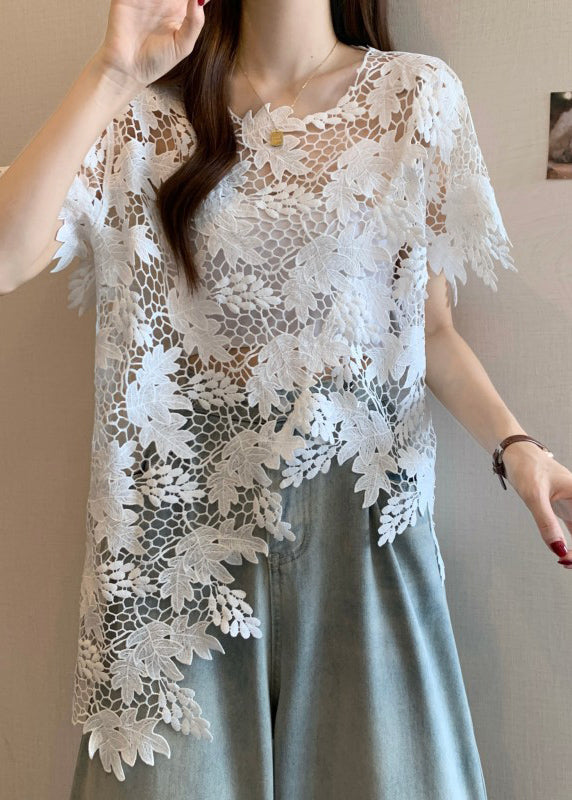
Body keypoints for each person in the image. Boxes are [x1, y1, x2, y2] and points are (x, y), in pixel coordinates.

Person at [2, 1, 572, 798]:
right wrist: (111, 72)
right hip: (181, 541)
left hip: (361, 523)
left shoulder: (414, 97)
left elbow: (429, 328)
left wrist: (518, 448)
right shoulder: (142, 110)